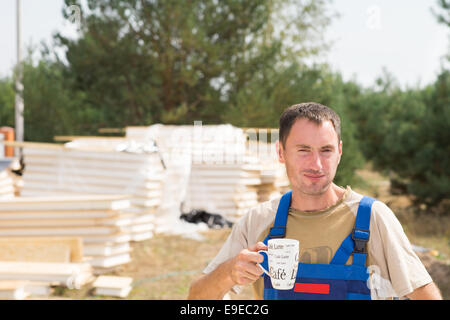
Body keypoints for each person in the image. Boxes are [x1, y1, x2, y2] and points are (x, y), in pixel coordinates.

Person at [187, 102, 442, 300]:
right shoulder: (257, 222)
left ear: (340, 152)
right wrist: (230, 272)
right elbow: (197, 299)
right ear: (280, 152)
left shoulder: (373, 218)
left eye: (326, 150)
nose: (316, 164)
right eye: (303, 150)